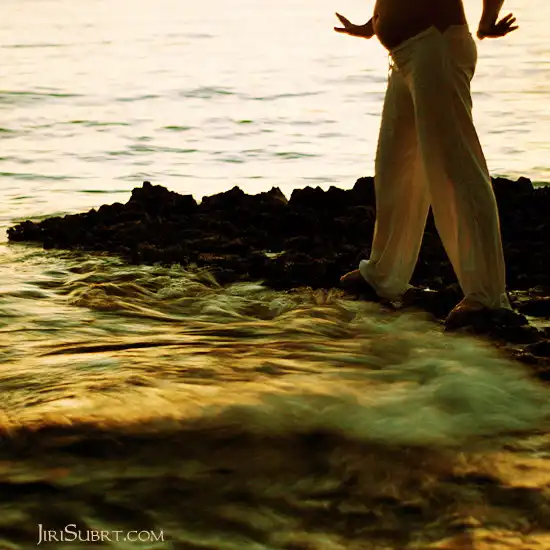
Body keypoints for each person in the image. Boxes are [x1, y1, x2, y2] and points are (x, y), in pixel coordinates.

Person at [334, 1, 518, 327]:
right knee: (395, 169)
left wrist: (487, 20)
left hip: (436, 46)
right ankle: (383, 275)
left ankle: (487, 297)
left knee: (457, 170)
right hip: (404, 56)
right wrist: (373, 23)